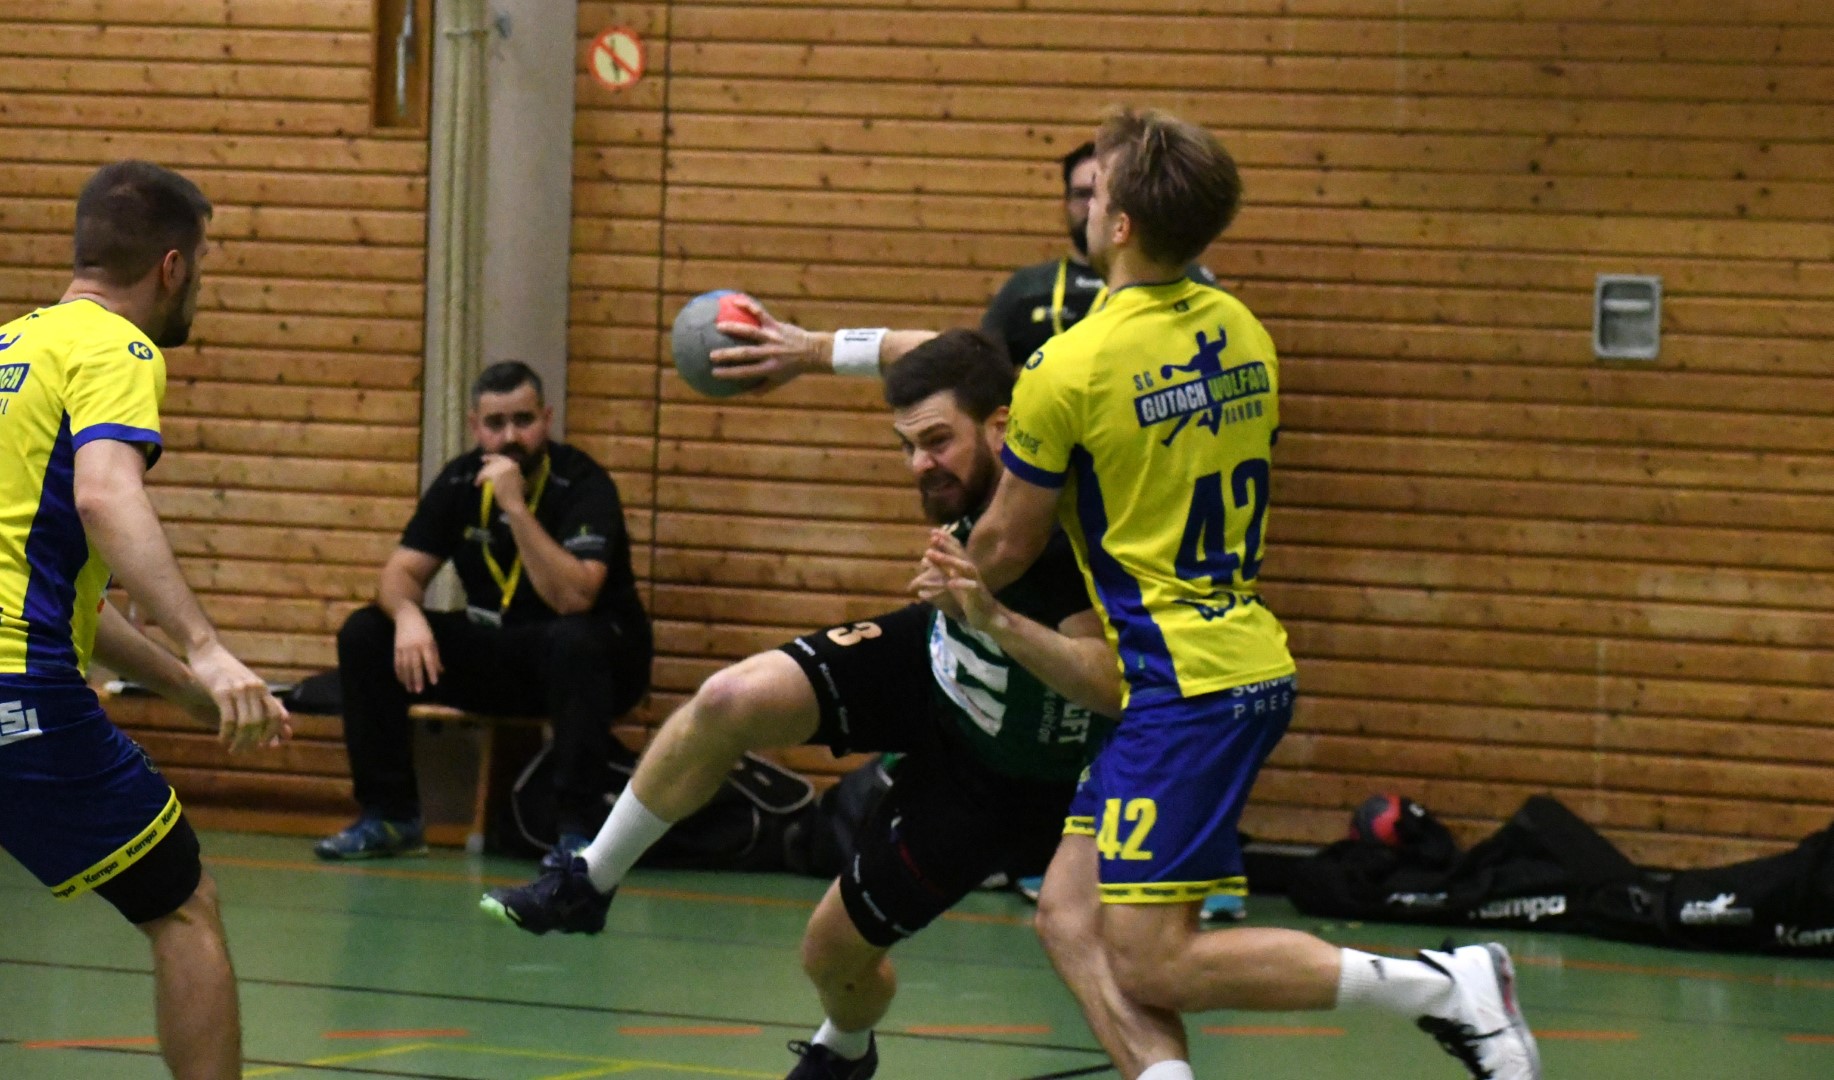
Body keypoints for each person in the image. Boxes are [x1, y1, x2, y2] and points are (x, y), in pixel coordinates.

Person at [921, 107, 1541, 1080]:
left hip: (1185, 685)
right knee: (1069, 913)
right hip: (1218, 657)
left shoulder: (1068, 364)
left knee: (1154, 958)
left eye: (1099, 190)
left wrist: (954, 581)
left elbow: (1004, 542)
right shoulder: (1242, 330)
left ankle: (1443, 985)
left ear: (1120, 224)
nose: (1087, 204)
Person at [481, 330, 1122, 1080]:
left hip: (1006, 768)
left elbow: (1109, 682)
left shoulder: (1059, 522)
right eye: (907, 445)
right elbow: (927, 349)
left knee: (830, 956)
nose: (920, 464)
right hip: (939, 656)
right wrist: (808, 351)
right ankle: (589, 880)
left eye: (937, 442)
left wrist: (998, 621)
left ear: (1002, 426)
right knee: (730, 698)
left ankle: (843, 1049)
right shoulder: (989, 397)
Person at [0, 160, 291, 1080]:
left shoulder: (9, 350)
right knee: (182, 902)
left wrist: (187, 686)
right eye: (201, 266)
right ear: (172, 267)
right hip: (17, 692)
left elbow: (59, 591)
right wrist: (208, 644)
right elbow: (104, 494)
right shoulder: (118, 350)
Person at [316, 361, 652, 860]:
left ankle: (577, 832)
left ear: (547, 419)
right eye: (496, 424)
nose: (510, 437)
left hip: (593, 660)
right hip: (499, 648)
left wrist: (516, 508)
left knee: (574, 641)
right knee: (366, 632)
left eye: (523, 420)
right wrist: (408, 616)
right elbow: (399, 574)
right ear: (476, 427)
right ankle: (391, 817)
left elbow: (574, 598)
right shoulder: (459, 479)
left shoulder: (584, 483)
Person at [981, 141, 1216, 368]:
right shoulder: (1026, 287)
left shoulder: (1174, 277)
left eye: (1100, 194)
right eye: (1082, 194)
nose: (1090, 206)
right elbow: (984, 374)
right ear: (1065, 206)